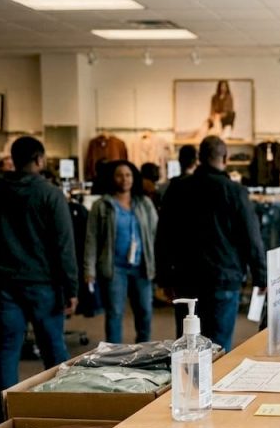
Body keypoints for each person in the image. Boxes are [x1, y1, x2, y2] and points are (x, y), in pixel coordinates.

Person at [0, 136, 78, 423]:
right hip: (43, 283)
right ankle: (64, 409)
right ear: (39, 160)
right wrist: (71, 286)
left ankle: (4, 413)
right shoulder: (50, 193)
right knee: (53, 348)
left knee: (7, 348)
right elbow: (63, 245)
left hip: (3, 283)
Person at [157, 136, 266, 351]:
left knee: (187, 344)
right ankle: (211, 383)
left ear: (199, 157)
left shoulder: (177, 188)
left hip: (185, 278)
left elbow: (163, 236)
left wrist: (163, 277)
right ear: (225, 158)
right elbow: (251, 237)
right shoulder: (235, 191)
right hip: (223, 278)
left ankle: (188, 384)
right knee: (218, 347)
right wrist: (260, 276)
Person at [84, 160, 157, 344]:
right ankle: (114, 355)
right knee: (115, 313)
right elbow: (91, 239)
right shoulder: (102, 205)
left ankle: (144, 352)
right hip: (114, 268)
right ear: (112, 178)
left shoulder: (144, 204)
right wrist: (89, 270)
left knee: (145, 312)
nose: (124, 179)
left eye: (128, 175)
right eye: (119, 175)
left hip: (142, 266)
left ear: (134, 177)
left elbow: (156, 233)